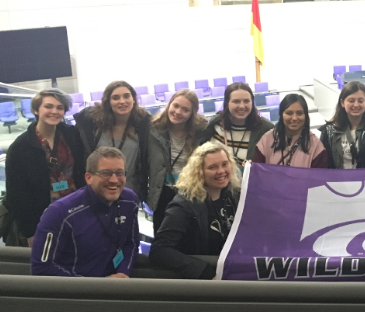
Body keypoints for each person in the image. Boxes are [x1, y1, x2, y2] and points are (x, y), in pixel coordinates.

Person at [31, 146, 139, 277]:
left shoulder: (130, 201)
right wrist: (94, 287)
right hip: (76, 293)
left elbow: (131, 244)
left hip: (114, 285)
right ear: (89, 178)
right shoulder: (59, 213)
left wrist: (123, 272)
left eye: (120, 173)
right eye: (106, 173)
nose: (114, 180)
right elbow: (42, 268)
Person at [4, 89, 86, 246]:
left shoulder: (71, 135)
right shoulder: (21, 147)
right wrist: (30, 232)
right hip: (43, 215)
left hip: (76, 207)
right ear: (36, 110)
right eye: (48, 106)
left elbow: (81, 170)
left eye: (59, 107)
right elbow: (16, 193)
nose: (54, 111)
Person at [150, 143, 241, 279]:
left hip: (232, 275)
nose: (221, 171)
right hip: (202, 284)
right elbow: (159, 250)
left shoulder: (236, 196)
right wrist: (204, 272)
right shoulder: (183, 205)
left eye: (224, 164)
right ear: (199, 171)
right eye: (212, 167)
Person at [74, 80, 151, 200]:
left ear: (134, 99)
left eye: (126, 96)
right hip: (98, 191)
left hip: (129, 191)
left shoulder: (143, 124)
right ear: (108, 102)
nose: (122, 101)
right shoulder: (93, 124)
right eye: (115, 98)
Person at [147, 89, 207, 233]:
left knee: (189, 237)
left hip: (189, 191)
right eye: (175, 106)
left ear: (192, 114)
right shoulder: (153, 129)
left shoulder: (201, 132)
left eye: (185, 110)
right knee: (162, 236)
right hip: (162, 191)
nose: (178, 112)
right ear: (169, 105)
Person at [318, 81, 365, 168]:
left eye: (360, 101)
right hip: (338, 181)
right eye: (351, 100)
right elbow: (324, 164)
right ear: (342, 103)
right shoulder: (328, 130)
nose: (356, 105)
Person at [202, 82, 274, 167]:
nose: (242, 106)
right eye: (236, 101)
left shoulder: (266, 129)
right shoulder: (214, 124)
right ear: (227, 103)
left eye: (246, 101)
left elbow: (274, 163)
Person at [253, 94, 327, 167]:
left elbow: (319, 177)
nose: (294, 118)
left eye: (299, 113)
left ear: (306, 116)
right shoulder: (266, 140)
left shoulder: (316, 146)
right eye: (289, 113)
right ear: (281, 115)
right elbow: (257, 172)